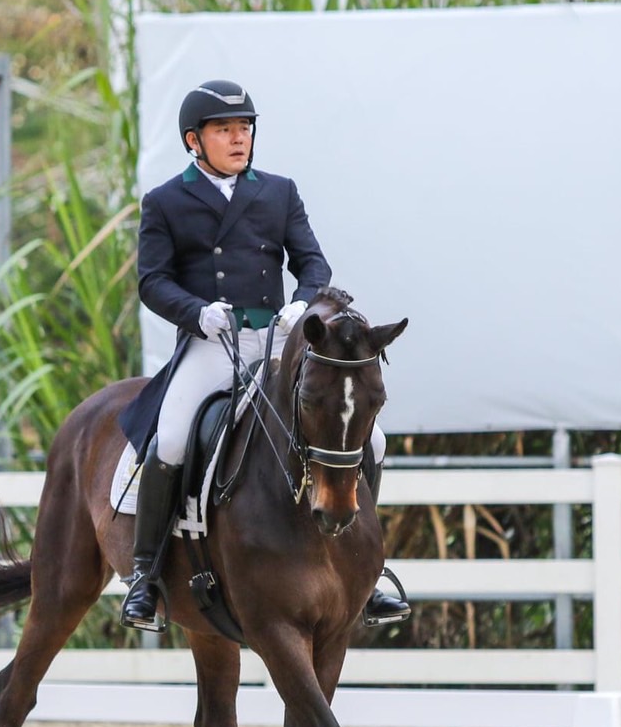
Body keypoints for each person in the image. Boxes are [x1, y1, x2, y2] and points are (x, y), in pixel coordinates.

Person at [116, 78, 410, 633]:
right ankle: (145, 574)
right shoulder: (166, 202)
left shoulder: (278, 192)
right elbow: (152, 282)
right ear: (193, 141)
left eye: (244, 128)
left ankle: (367, 572)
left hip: (277, 341)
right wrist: (196, 311)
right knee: (174, 436)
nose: (238, 138)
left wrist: (302, 306)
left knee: (372, 437)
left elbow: (313, 264)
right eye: (224, 129)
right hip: (212, 342)